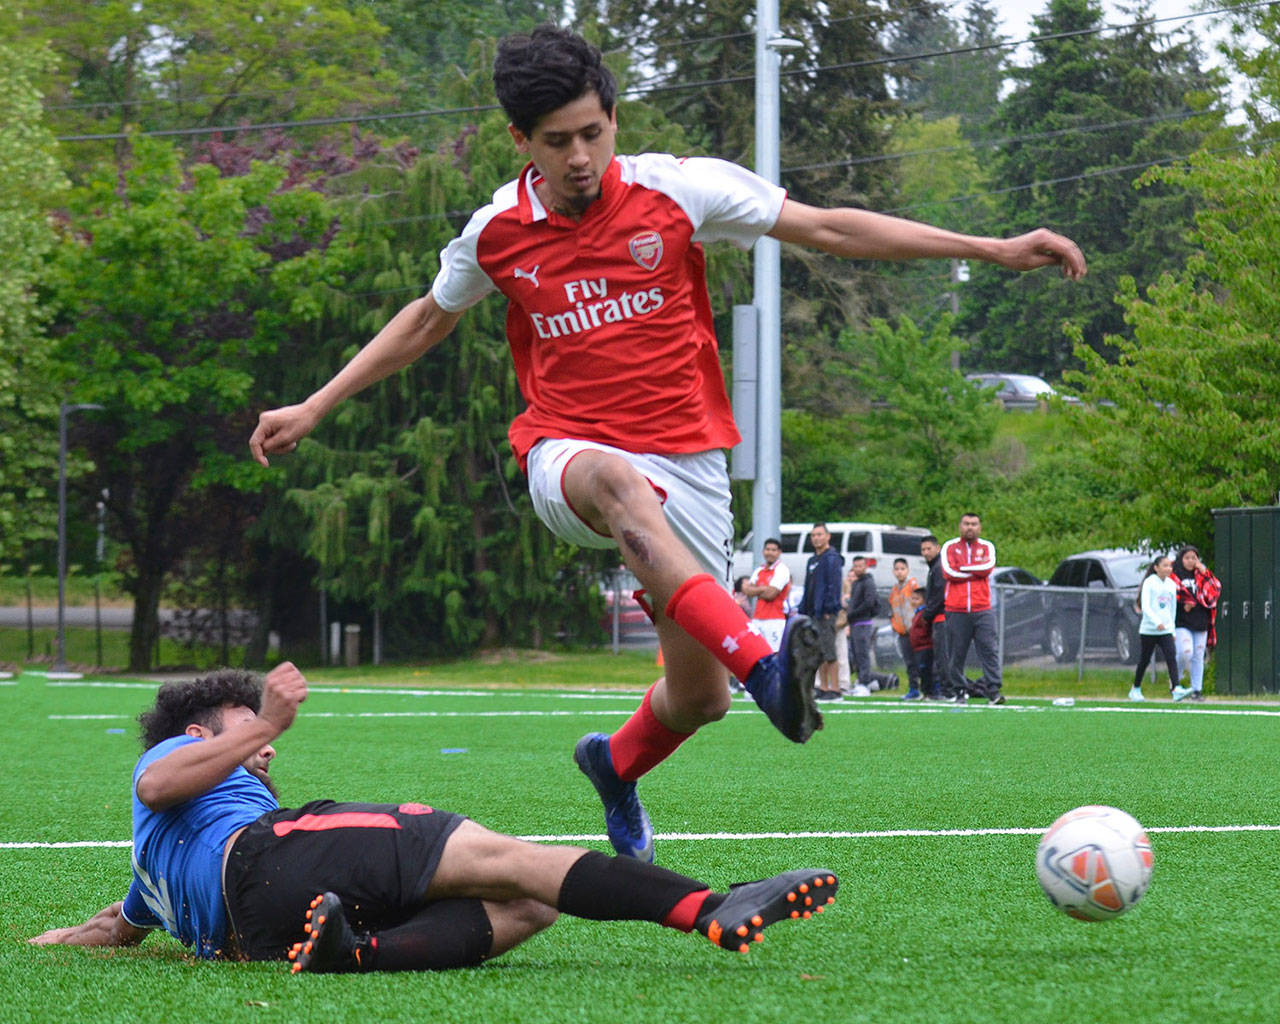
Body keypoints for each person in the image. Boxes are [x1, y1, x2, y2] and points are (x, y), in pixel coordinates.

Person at [246, 26, 1085, 861]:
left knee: (697, 699)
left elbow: (829, 228)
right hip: (567, 454)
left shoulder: (682, 192)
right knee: (618, 485)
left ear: (614, 116)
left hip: (689, 463)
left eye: (593, 132)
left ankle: (614, 765)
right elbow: (429, 317)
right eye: (556, 141)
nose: (579, 156)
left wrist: (990, 248)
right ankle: (767, 668)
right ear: (520, 141)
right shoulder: (496, 231)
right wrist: (316, 406)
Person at [30, 666, 838, 971]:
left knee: (533, 905)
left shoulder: (152, 873)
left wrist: (44, 942)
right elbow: (162, 783)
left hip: (257, 933)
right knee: (508, 857)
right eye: (239, 731)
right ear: (200, 733)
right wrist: (265, 721)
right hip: (269, 859)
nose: (264, 750)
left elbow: (113, 927)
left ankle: (356, 952)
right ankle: (707, 907)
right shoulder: (170, 767)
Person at [940, 513, 1004, 705]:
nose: (970, 527)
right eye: (966, 524)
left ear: (980, 527)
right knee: (956, 653)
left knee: (989, 649)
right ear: (960, 526)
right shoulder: (949, 547)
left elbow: (988, 567)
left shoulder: (987, 547)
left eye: (974, 524)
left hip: (982, 608)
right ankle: (960, 690)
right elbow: (949, 572)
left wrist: (964, 568)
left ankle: (993, 690)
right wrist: (974, 570)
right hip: (956, 609)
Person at [1130, 557, 1191, 702]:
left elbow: (1172, 609)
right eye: (1165, 566)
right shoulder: (1149, 582)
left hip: (1166, 631)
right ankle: (1135, 688)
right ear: (1156, 568)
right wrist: (1156, 622)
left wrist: (1172, 629)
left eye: (1170, 566)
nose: (1168, 569)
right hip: (1149, 630)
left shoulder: (1171, 584)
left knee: (1171, 657)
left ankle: (1176, 688)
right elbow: (1146, 606)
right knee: (1144, 660)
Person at [799, 523, 845, 700]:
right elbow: (807, 587)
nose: (816, 538)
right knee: (818, 651)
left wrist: (829, 608)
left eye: (819, 534)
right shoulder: (812, 560)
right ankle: (823, 687)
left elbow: (834, 585)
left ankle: (836, 688)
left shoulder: (832, 558)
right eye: (813, 535)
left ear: (828, 536)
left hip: (825, 612)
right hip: (812, 612)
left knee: (829, 651)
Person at [844, 556, 899, 697]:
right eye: (855, 566)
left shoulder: (868, 582)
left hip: (863, 623)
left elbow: (871, 603)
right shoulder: (856, 583)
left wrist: (855, 614)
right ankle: (861, 681)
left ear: (865, 566)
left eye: (860, 566)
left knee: (863, 655)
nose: (858, 569)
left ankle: (864, 684)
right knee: (856, 655)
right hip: (855, 623)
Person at [1173, 545, 1220, 702]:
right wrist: (1183, 604)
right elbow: (1171, 596)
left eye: (1194, 558)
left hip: (1200, 619)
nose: (1191, 561)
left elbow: (1215, 589)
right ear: (1181, 559)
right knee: (1185, 652)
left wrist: (1203, 570)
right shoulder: (1175, 574)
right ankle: (1175, 683)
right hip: (1182, 621)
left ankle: (1196, 690)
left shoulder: (1202, 574)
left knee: (1198, 655)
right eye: (1187, 558)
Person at [742, 538, 791, 652]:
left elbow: (771, 594)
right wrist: (764, 589)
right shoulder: (759, 569)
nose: (770, 553)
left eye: (774, 550)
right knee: (756, 652)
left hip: (775, 621)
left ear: (779, 552)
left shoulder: (782, 570)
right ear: (763, 551)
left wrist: (756, 590)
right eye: (767, 549)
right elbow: (746, 590)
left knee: (774, 654)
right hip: (758, 618)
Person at [919, 535, 951, 701]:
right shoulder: (934, 568)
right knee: (939, 656)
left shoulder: (939, 568)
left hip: (941, 617)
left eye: (929, 548)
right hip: (937, 618)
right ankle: (941, 689)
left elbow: (939, 595)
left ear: (937, 548)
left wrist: (926, 614)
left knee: (943, 655)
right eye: (923, 549)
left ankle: (948, 690)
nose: (926, 552)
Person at [887, 558, 920, 697]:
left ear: (907, 570)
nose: (899, 572)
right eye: (897, 569)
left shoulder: (913, 586)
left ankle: (931, 688)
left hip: (915, 630)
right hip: (902, 632)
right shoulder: (894, 589)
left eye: (902, 569)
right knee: (909, 662)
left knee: (922, 661)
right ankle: (913, 689)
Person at [906, 588, 936, 701]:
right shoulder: (917, 613)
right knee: (921, 670)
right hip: (918, 648)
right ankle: (925, 692)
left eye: (917, 599)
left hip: (925, 647)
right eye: (912, 598)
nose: (913, 601)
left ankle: (931, 692)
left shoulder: (924, 614)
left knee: (926, 670)